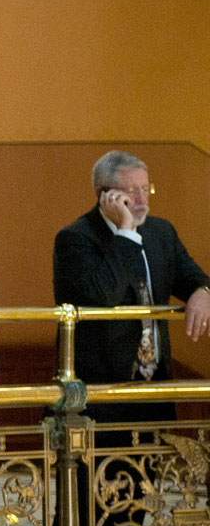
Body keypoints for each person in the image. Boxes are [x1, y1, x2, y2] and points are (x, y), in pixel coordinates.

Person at [55, 150, 210, 417]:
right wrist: (126, 231)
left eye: (144, 188)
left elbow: (192, 277)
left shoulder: (161, 232)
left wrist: (203, 291)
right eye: (130, 190)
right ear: (103, 194)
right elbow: (103, 295)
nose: (141, 199)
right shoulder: (75, 239)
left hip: (156, 391)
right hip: (103, 396)